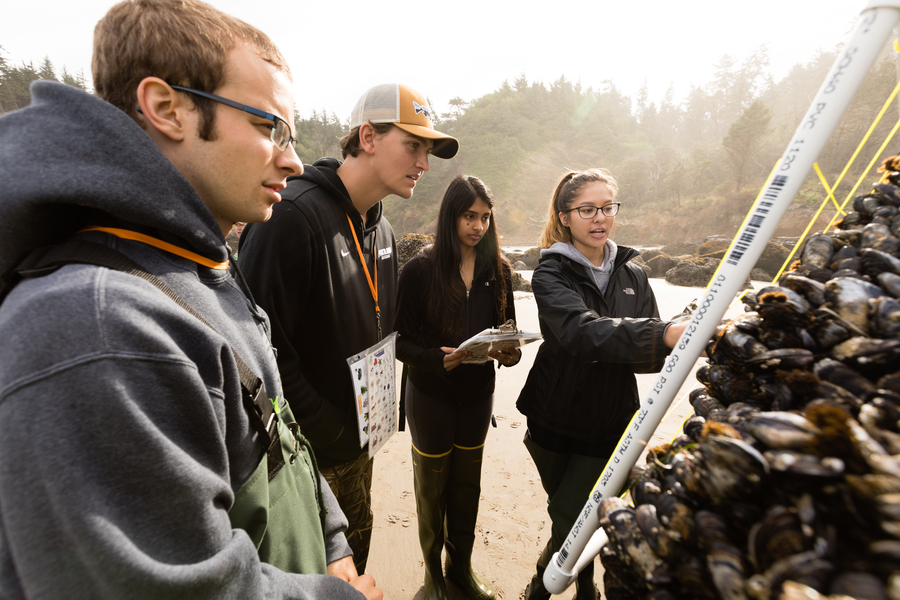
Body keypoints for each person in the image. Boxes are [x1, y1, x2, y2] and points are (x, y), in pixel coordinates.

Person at [0, 1, 380, 598]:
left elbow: (278, 435)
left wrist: (331, 539)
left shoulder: (195, 265)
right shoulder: (96, 324)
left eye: (293, 133)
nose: (293, 158)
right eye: (267, 127)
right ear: (166, 108)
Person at [238, 83, 459, 573]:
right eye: (414, 145)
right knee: (314, 573)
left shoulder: (381, 227)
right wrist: (328, 426)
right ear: (368, 136)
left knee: (357, 555)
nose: (424, 163)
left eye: (428, 151)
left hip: (363, 439)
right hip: (308, 454)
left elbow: (380, 327)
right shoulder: (290, 216)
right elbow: (256, 349)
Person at [516, 168, 689, 600]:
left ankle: (541, 588)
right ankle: (586, 585)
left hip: (612, 419)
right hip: (552, 417)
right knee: (570, 516)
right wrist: (662, 333)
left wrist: (679, 336)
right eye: (587, 209)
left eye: (607, 208)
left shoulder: (634, 273)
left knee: (577, 518)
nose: (600, 218)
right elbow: (580, 333)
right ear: (565, 217)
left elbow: (644, 349)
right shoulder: (550, 275)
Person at [395, 175, 520, 600]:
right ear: (451, 215)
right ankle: (433, 578)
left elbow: (510, 335)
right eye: (470, 216)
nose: (478, 226)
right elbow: (400, 341)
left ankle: (460, 570)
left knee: (467, 487)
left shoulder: (498, 270)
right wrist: (436, 358)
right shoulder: (420, 270)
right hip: (430, 395)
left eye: (485, 217)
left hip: (477, 396)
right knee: (432, 492)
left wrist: (508, 353)